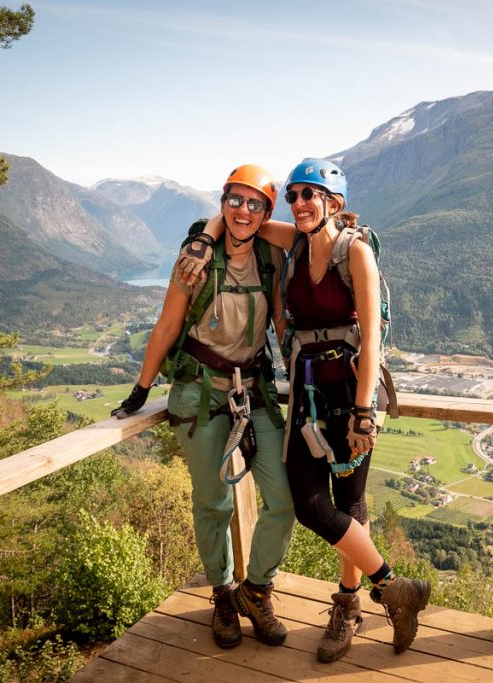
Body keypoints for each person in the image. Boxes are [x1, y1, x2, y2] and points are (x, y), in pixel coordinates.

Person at [181, 158, 430, 663]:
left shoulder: (356, 252)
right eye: (292, 196)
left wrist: (364, 411)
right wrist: (203, 240)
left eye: (308, 195)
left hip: (351, 394)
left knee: (350, 501)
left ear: (332, 202)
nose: (297, 204)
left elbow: (373, 340)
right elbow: (233, 218)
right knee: (312, 503)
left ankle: (349, 606)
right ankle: (395, 590)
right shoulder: (293, 241)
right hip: (307, 394)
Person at [112, 164, 295, 651]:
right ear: (222, 202)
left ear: (266, 212)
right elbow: (168, 324)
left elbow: (279, 323)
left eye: (255, 203)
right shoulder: (194, 261)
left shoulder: (271, 258)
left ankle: (256, 590)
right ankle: (223, 592)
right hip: (199, 390)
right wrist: (141, 386)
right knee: (212, 501)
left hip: (253, 388)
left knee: (285, 498)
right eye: (235, 200)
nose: (243, 210)